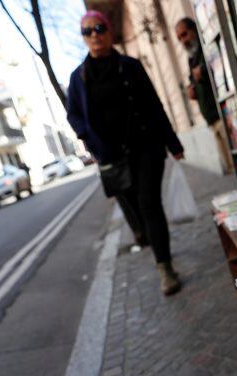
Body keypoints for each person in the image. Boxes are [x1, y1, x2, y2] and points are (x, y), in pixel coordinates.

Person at [67, 10, 184, 295]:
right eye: (87, 31)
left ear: (110, 32)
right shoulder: (79, 78)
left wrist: (172, 142)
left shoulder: (130, 66)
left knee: (149, 203)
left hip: (147, 147)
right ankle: (155, 243)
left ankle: (164, 268)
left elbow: (154, 104)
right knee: (136, 210)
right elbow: (75, 116)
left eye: (99, 28)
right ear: (84, 38)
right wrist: (90, 144)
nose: (94, 35)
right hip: (112, 156)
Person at [174, 18, 234, 174]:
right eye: (179, 38)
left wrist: (204, 72)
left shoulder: (206, 47)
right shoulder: (191, 58)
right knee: (230, 165)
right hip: (211, 118)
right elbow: (193, 80)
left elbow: (221, 66)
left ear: (193, 30)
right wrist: (191, 89)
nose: (183, 40)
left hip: (223, 112)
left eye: (184, 34)